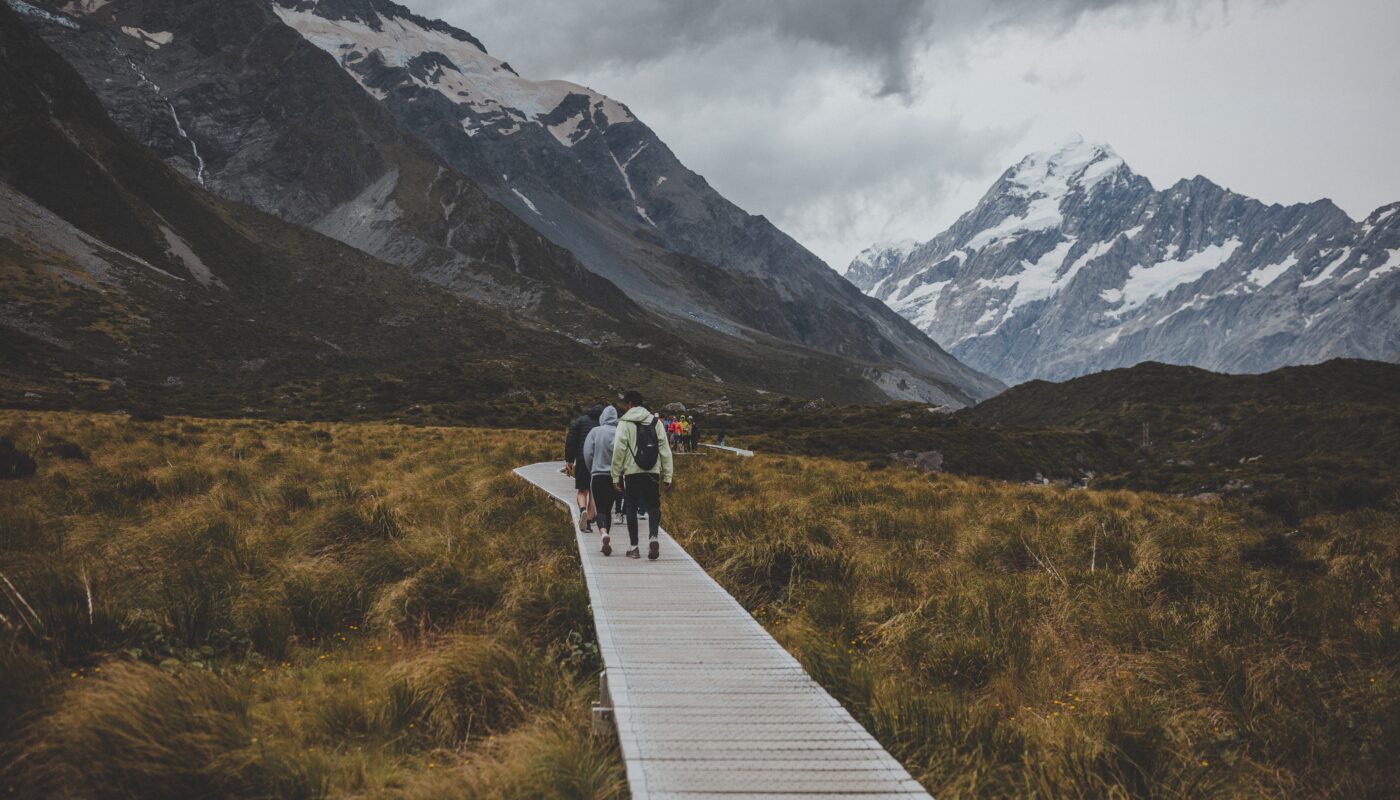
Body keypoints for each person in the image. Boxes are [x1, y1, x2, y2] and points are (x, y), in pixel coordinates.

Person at [611, 389, 674, 560]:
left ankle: (634, 547)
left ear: (629, 404)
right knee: (653, 505)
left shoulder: (624, 422)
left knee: (631, 506)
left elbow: (618, 449)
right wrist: (668, 477)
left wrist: (615, 475)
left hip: (632, 472)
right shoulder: (656, 422)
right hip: (652, 471)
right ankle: (653, 536)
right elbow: (665, 451)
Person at [582, 405, 620, 556]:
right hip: (614, 477)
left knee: (600, 509)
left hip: (597, 475)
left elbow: (587, 453)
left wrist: (593, 467)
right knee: (609, 508)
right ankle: (606, 539)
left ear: (602, 417)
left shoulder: (595, 432)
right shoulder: (619, 432)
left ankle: (603, 533)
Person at [564, 404, 603, 532]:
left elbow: (571, 440)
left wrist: (570, 460)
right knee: (594, 492)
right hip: (599, 461)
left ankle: (583, 510)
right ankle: (589, 521)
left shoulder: (580, 421)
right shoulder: (603, 422)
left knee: (582, 490)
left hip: (582, 459)